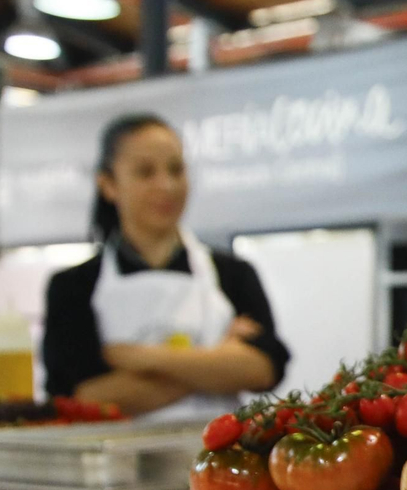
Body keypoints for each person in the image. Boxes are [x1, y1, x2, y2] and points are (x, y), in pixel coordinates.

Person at [42, 113, 290, 420]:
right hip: (116, 463)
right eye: (146, 172)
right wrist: (216, 362)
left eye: (176, 169)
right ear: (108, 184)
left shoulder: (234, 274)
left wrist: (135, 357)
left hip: (220, 459)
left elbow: (263, 370)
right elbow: (85, 397)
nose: (167, 185)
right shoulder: (73, 287)